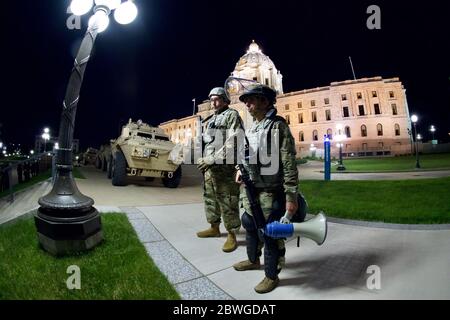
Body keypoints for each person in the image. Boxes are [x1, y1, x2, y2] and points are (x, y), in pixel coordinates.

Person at [233, 84, 299, 294]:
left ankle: (271, 275)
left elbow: (289, 163)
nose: (247, 104)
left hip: (270, 192)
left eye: (251, 100)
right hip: (252, 190)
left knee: (270, 233)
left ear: (264, 101)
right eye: (245, 101)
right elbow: (246, 155)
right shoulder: (254, 127)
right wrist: (238, 169)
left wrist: (291, 197)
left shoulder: (277, 126)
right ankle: (253, 260)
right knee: (248, 223)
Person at [196, 87, 243, 253]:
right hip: (210, 170)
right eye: (211, 100)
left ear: (225, 100)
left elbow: (234, 141)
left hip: (225, 169)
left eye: (217, 99)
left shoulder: (232, 115)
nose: (213, 103)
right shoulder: (212, 119)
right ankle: (214, 227)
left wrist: (211, 158)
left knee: (228, 201)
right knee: (210, 198)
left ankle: (232, 234)